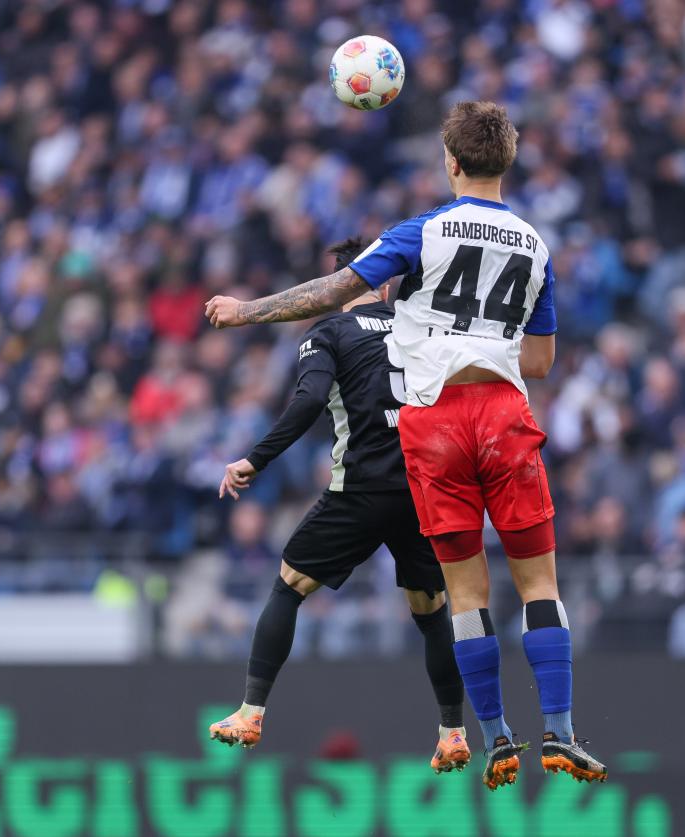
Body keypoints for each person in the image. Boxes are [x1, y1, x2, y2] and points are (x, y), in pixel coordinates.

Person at [206, 101, 607, 790]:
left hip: (435, 423)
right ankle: (562, 730)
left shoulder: (421, 232)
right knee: (540, 583)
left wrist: (248, 309)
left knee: (463, 593)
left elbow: (337, 290)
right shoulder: (536, 247)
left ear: (450, 162)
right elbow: (540, 362)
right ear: (507, 162)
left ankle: (493, 737)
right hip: (504, 412)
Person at [208, 239, 472, 776]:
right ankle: (452, 732)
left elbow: (308, 402)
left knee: (288, 585)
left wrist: (255, 461)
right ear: (386, 284)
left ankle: (251, 711)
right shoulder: (421, 328)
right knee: (431, 610)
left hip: (360, 490)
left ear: (340, 287)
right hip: (423, 490)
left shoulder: (327, 332)